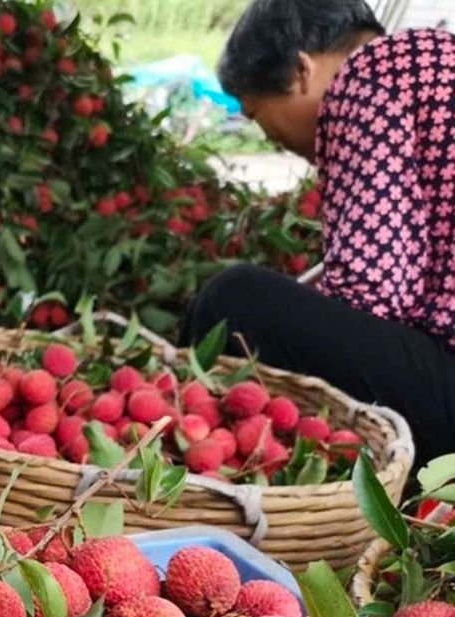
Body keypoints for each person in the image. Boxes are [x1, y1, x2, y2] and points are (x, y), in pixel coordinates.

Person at [184, 0, 455, 463]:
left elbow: (376, 292)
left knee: (233, 299)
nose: (271, 140)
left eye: (255, 114)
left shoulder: (370, 74)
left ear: (302, 69)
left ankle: (179, 435)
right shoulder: (436, 61)